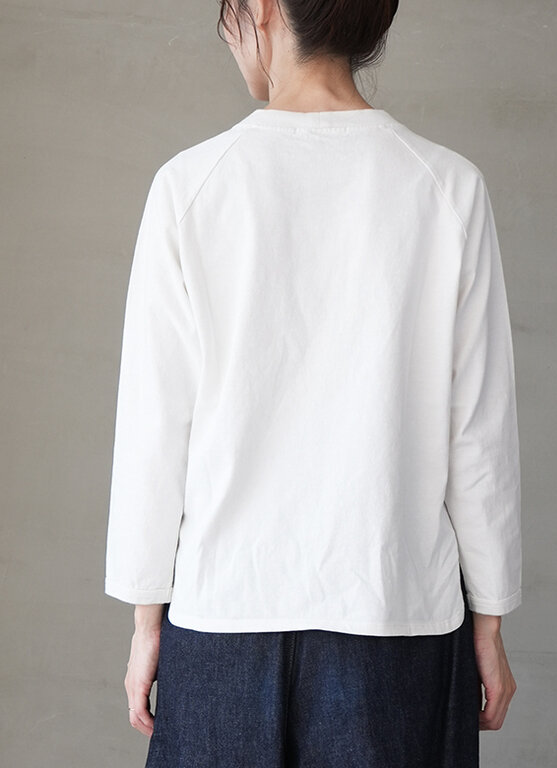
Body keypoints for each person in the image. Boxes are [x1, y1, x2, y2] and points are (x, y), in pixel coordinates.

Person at [104, 0, 522, 765]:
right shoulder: (448, 187)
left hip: (223, 615)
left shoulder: (191, 186)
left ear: (262, 9)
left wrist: (145, 620)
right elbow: (478, 432)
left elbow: (155, 426)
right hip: (395, 614)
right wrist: (489, 622)